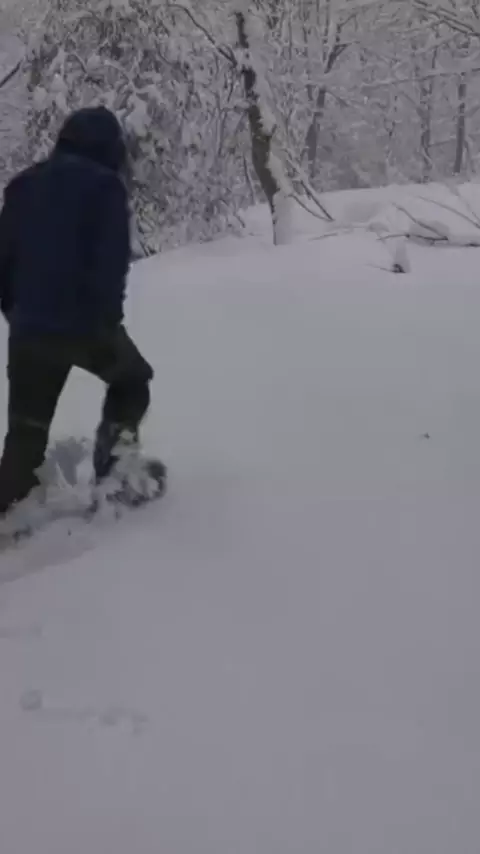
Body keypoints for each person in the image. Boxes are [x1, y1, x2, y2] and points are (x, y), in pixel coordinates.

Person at [0, 106, 157, 517]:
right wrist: (106, 321)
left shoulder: (22, 186)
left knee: (27, 428)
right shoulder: (105, 187)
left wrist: (17, 314)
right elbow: (110, 263)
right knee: (133, 381)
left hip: (28, 327)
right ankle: (115, 476)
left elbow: (4, 261)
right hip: (84, 325)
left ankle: (8, 508)